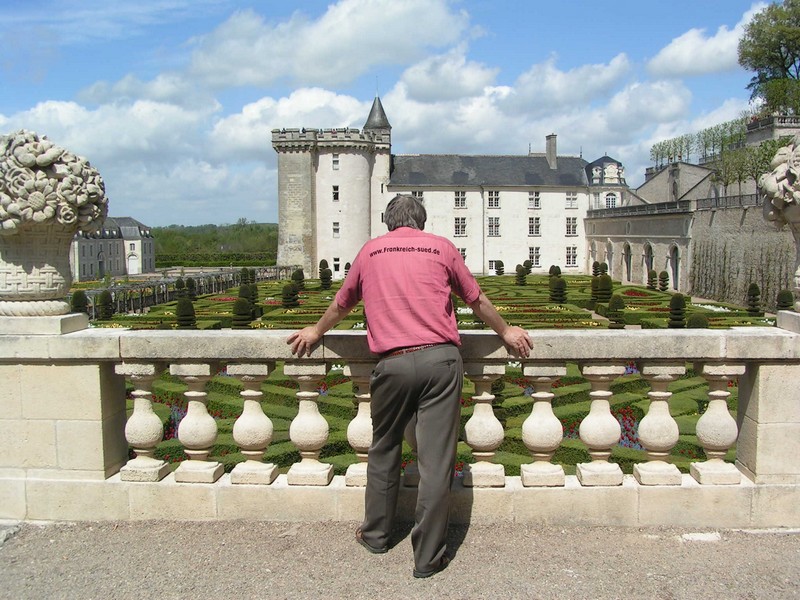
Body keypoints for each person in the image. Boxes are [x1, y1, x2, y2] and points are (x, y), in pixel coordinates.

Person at [287, 194, 532, 578]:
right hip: (439, 360)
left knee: (383, 449)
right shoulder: (441, 247)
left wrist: (315, 330)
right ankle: (428, 557)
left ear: (388, 221)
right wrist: (506, 330)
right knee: (435, 462)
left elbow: (342, 302)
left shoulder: (369, 252)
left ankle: (376, 535)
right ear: (422, 220)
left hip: (393, 364)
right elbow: (476, 298)